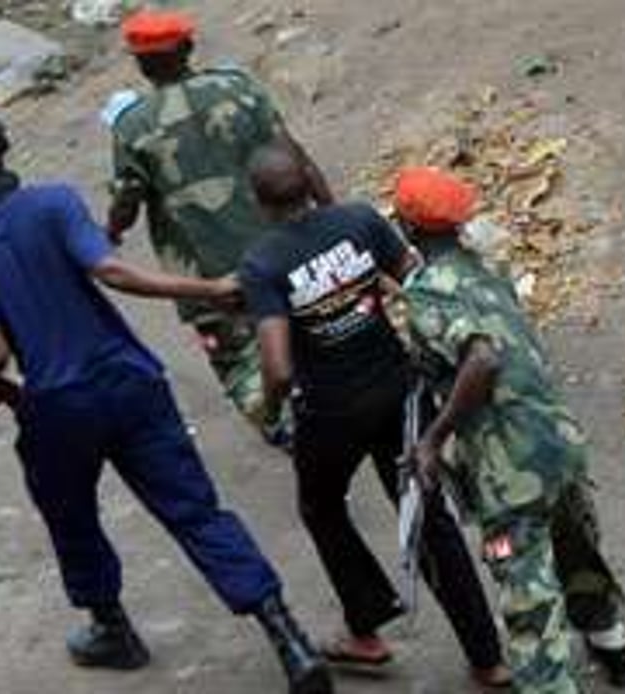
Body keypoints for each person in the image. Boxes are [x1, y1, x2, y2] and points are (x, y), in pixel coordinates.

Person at [0, 111, 333, 694]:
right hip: (130, 381)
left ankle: (112, 627)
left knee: (70, 516)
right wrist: (210, 288)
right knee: (195, 510)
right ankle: (287, 637)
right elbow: (110, 270)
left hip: (58, 408)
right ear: (4, 153)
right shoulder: (56, 203)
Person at [237, 145, 511, 688]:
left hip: (330, 416)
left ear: (259, 202)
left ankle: (366, 629)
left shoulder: (262, 262)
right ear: (309, 182)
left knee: (321, 507)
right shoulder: (359, 219)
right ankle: (488, 659)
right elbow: (415, 278)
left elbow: (278, 367)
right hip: (399, 395)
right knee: (429, 521)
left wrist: (271, 412)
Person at [394, 167, 625, 693]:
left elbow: (480, 358)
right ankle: (615, 649)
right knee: (576, 548)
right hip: (556, 440)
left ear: (408, 227)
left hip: (509, 468)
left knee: (530, 608)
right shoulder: (489, 266)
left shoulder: (426, 296)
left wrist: (433, 440)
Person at [107, 9, 333, 444]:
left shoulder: (132, 126)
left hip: (209, 276)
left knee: (238, 360)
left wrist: (111, 232)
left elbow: (127, 202)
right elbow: (294, 156)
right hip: (283, 246)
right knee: (308, 326)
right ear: (188, 48)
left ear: (139, 63)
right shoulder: (239, 88)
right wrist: (329, 215)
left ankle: (279, 425)